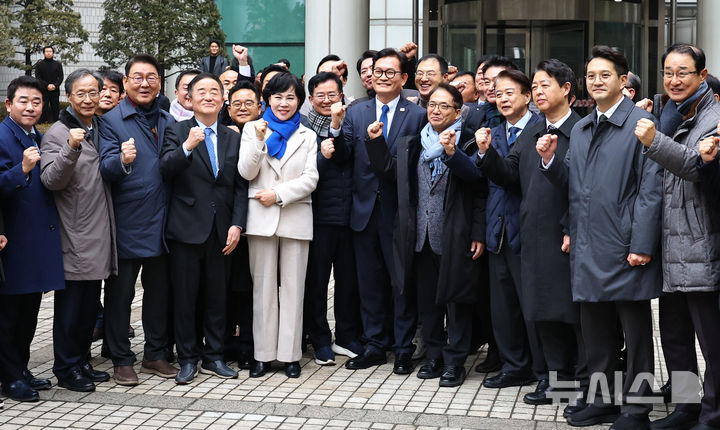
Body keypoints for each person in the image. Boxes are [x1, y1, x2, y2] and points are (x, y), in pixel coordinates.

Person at [537, 45, 663, 428]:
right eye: (591, 75)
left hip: (625, 247)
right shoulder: (582, 127)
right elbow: (574, 185)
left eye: (605, 75)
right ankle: (602, 400)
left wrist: (642, 244)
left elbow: (651, 190)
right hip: (588, 246)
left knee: (636, 335)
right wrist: (549, 160)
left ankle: (638, 409)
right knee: (596, 333)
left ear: (623, 81)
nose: (596, 81)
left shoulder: (641, 124)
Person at [474, 59, 587, 411]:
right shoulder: (533, 131)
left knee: (574, 315)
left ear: (566, 89)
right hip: (533, 236)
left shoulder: (582, 130)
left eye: (544, 85)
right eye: (535, 86)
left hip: (567, 237)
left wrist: (570, 227)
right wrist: (485, 154)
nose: (538, 92)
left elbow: (585, 189)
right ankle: (555, 380)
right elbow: (510, 174)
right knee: (544, 312)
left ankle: (584, 384)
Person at [366, 83, 487, 386]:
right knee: (428, 303)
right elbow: (391, 173)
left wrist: (477, 232)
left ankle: (455, 362)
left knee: (456, 303)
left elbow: (478, 183)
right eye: (432, 104)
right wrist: (376, 142)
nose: (435, 110)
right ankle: (434, 355)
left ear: (458, 112)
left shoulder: (469, 142)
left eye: (444, 106)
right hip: (420, 236)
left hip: (455, 235)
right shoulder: (414, 143)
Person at [635, 43, 720, 430]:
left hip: (700, 245)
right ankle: (686, 407)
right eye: (668, 72)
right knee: (673, 335)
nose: (674, 80)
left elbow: (694, 166)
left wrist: (654, 139)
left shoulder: (713, 116)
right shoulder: (671, 111)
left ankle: (712, 414)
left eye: (683, 72)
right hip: (671, 244)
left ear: (702, 75)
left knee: (711, 342)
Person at [445, 69, 547, 390]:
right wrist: (454, 154)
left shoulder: (540, 130)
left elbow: (515, 177)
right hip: (497, 232)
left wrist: (486, 155)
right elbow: (479, 177)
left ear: (527, 96)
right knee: (503, 308)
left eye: (509, 93)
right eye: (498, 93)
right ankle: (514, 366)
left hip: (527, 232)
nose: (502, 99)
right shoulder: (495, 131)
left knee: (532, 307)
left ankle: (542, 370)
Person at [332, 48, 426, 374]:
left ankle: (403, 347)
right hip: (363, 211)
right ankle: (374, 344)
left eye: (390, 72)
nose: (382, 77)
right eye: (377, 72)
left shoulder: (417, 115)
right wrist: (335, 129)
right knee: (369, 282)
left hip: (399, 211)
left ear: (403, 78)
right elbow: (343, 155)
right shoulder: (356, 112)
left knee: (401, 283)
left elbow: (411, 167)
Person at [160, 72, 248, 384]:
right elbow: (165, 168)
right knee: (185, 298)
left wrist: (237, 223)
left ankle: (214, 356)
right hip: (186, 229)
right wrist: (187, 147)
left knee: (217, 296)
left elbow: (240, 186)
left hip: (222, 230)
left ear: (223, 100)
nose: (208, 96)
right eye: (202, 91)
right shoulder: (176, 130)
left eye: (214, 91)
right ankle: (187, 358)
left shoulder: (233, 137)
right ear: (190, 98)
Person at [99, 54, 178, 386]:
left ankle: (155, 354)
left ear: (159, 82)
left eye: (151, 77)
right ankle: (121, 358)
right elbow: (105, 167)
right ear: (125, 82)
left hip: (163, 221)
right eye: (137, 77)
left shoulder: (168, 119)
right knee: (121, 296)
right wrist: (122, 160)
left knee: (159, 293)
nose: (144, 83)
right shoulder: (110, 121)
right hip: (127, 221)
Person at [238, 72, 319, 378]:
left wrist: (279, 194)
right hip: (260, 220)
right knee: (263, 289)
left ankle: (290, 355)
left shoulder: (307, 135)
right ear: (267, 100)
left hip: (295, 216)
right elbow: (246, 172)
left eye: (290, 97)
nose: (284, 103)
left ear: (299, 101)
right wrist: (259, 140)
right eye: (277, 97)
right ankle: (262, 355)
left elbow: (311, 178)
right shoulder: (252, 129)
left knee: (294, 289)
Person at [39, 69, 116, 392]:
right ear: (68, 96)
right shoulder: (58, 133)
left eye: (93, 92)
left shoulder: (100, 126)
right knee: (70, 307)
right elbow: (50, 180)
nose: (88, 99)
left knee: (88, 304)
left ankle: (81, 360)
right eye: (80, 93)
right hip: (74, 231)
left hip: (98, 228)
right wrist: (70, 148)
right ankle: (66, 367)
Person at [0, 75, 65, 402]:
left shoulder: (36, 136)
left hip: (35, 239)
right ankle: (10, 378)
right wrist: (22, 169)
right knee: (9, 315)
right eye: (23, 101)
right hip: (12, 240)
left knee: (28, 313)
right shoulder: (2, 136)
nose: (30, 107)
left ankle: (21, 369)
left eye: (36, 102)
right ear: (9, 104)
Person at [302, 72, 362, 365]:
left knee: (348, 283)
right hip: (316, 218)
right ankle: (320, 339)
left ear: (341, 95)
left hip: (350, 216)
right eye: (320, 96)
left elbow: (345, 155)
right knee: (316, 284)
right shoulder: (302, 128)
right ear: (310, 99)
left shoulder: (351, 122)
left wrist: (336, 127)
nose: (326, 101)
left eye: (332, 95)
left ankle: (347, 336)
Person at [223, 81, 262, 370]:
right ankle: (225, 343)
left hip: (258, 222)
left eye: (249, 102)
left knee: (249, 288)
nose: (243, 108)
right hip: (225, 222)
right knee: (224, 286)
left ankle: (248, 344)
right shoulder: (220, 133)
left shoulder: (266, 132)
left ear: (260, 107)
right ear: (228, 108)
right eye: (237, 103)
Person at [34, 46, 64, 123]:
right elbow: (38, 77)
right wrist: (47, 85)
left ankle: (57, 122)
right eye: (47, 51)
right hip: (44, 89)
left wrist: (55, 85)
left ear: (53, 53)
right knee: (43, 106)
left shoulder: (57, 64)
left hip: (55, 89)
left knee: (55, 106)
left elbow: (61, 77)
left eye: (50, 51)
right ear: (44, 53)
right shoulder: (39, 64)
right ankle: (41, 121)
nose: (48, 53)